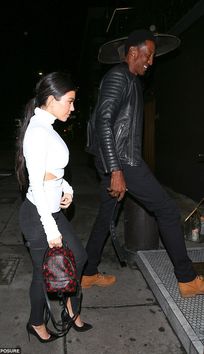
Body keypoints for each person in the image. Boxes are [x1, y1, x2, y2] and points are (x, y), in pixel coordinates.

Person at [82, 29, 204, 298]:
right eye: (148, 55)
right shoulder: (118, 76)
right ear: (133, 52)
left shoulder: (131, 80)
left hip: (119, 161)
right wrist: (116, 170)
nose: (151, 61)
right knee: (169, 212)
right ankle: (187, 279)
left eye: (153, 57)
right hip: (124, 163)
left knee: (105, 217)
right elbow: (104, 121)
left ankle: (88, 272)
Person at [15, 72, 92, 344]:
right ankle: (36, 322)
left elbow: (55, 170)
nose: (73, 108)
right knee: (42, 274)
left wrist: (67, 189)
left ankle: (70, 307)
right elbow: (36, 182)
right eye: (69, 102)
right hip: (39, 216)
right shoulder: (37, 131)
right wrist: (50, 230)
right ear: (51, 99)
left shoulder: (48, 127)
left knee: (79, 257)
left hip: (52, 210)